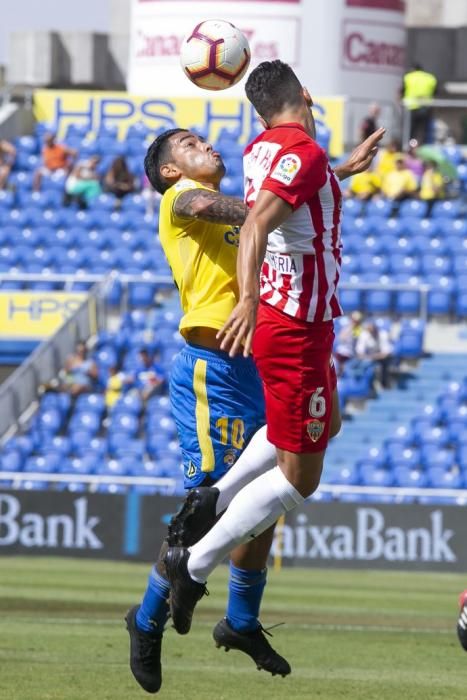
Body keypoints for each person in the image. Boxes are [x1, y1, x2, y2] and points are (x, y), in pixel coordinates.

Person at [126, 120, 382, 693]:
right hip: (213, 372)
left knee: (262, 508)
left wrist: (329, 175)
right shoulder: (179, 200)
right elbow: (255, 210)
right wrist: (309, 186)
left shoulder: (233, 201)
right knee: (209, 512)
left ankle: (240, 620)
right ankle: (145, 620)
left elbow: (271, 206)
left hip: (262, 362)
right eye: (190, 145)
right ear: (170, 170)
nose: (207, 146)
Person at [401, 63, 437, 145]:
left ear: (413, 69)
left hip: (411, 107)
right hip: (426, 107)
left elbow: (402, 91)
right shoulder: (430, 78)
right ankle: (422, 146)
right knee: (423, 130)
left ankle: (409, 146)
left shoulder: (408, 77)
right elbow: (435, 92)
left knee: (410, 130)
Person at [355, 321, 394, 389]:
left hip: (380, 358)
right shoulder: (364, 335)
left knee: (386, 362)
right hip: (368, 357)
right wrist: (368, 357)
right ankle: (366, 387)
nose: (372, 332)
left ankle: (384, 384)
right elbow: (359, 352)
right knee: (361, 364)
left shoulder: (383, 334)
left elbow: (386, 353)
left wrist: (372, 356)